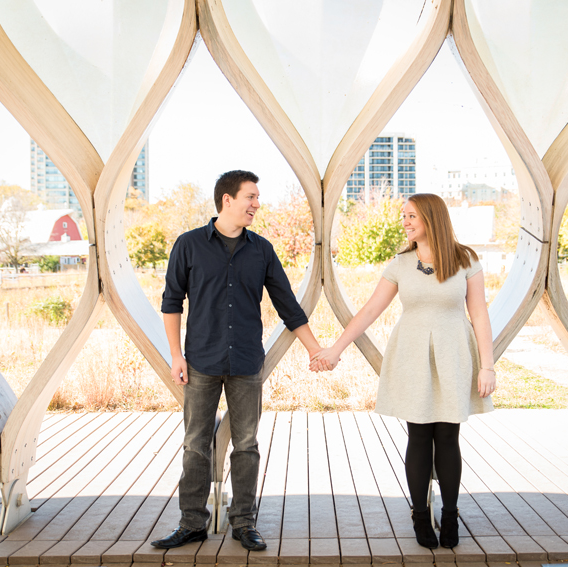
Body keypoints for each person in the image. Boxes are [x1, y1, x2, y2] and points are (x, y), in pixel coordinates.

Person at [152, 170, 329, 551]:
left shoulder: (261, 249)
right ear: (227, 200)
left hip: (247, 362)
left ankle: (244, 523)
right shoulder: (188, 245)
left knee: (246, 444)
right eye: (251, 197)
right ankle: (191, 524)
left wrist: (314, 348)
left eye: (257, 197)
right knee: (195, 444)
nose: (257, 204)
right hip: (200, 360)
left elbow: (288, 306)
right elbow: (171, 302)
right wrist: (175, 355)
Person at [310, 193, 495, 549]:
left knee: (448, 436)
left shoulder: (466, 260)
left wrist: (487, 366)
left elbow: (480, 314)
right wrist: (335, 349)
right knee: (420, 436)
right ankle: (420, 516)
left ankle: (451, 513)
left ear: (432, 218)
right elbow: (368, 311)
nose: (405, 222)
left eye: (411, 216)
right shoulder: (400, 264)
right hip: (412, 357)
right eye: (404, 216)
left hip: (454, 353)